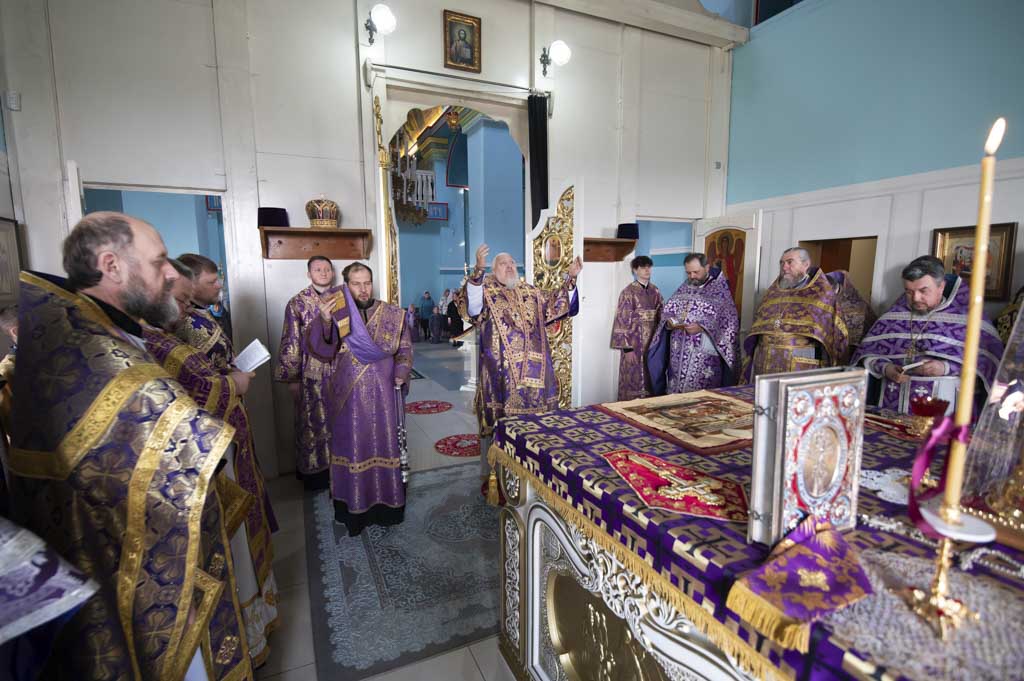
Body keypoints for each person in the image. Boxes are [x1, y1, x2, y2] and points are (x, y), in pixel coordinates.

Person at [6, 212, 251, 680]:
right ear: (112, 265)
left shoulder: (91, 327)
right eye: (159, 261)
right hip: (129, 567)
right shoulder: (95, 350)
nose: (171, 273)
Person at [145, 259, 280, 665]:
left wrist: (233, 377)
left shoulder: (173, 332)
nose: (187, 307)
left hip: (224, 435)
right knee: (231, 540)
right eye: (182, 299)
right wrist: (234, 381)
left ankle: (257, 611)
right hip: (209, 450)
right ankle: (247, 625)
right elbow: (201, 389)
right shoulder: (158, 342)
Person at [458, 244, 582, 486]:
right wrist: (478, 271)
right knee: (504, 428)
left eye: (512, 263)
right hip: (501, 376)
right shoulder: (486, 290)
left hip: (536, 376)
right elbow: (472, 308)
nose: (509, 267)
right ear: (493, 269)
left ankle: (537, 473)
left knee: (536, 429)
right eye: (503, 263)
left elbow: (557, 304)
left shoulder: (531, 292)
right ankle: (504, 480)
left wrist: (571, 278)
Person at [307, 262, 413, 536]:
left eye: (367, 282)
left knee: (385, 445)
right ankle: (353, 509)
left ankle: (388, 508)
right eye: (356, 284)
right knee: (353, 446)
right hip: (348, 397)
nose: (363, 289)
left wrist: (401, 373)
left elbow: (404, 348)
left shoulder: (392, 314)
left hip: (384, 395)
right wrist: (325, 321)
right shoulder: (336, 312)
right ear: (346, 285)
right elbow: (321, 350)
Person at [852, 256, 1004, 414]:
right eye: (909, 292)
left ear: (941, 286)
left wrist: (946, 368)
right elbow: (865, 356)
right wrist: (886, 368)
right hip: (890, 409)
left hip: (946, 414)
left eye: (923, 291)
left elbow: (988, 364)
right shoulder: (892, 317)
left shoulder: (969, 319)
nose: (915, 298)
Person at [741, 247, 872, 382]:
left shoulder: (821, 295)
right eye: (781, 263)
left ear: (806, 265)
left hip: (800, 365)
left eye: (790, 262)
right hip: (764, 364)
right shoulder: (771, 294)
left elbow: (833, 337)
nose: (784, 267)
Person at [276, 255, 336, 488]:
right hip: (311, 376)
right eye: (318, 269)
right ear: (309, 274)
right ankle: (316, 474)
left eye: (327, 269)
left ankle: (342, 470)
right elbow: (290, 341)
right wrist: (293, 379)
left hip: (340, 372)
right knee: (313, 422)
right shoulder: (297, 303)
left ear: (333, 273)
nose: (323, 272)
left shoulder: (343, 299)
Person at [648, 253, 739, 394]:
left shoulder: (718, 290)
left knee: (700, 397)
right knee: (675, 394)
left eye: (696, 272)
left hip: (703, 354)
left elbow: (729, 321)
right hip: (678, 352)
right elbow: (668, 311)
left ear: (707, 267)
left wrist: (702, 327)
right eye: (688, 273)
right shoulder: (684, 287)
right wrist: (669, 322)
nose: (692, 276)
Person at [610, 255, 663, 400]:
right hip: (634, 343)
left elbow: (662, 315)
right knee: (633, 376)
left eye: (649, 267)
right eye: (643, 267)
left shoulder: (655, 291)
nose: (647, 270)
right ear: (635, 270)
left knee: (651, 375)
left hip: (652, 342)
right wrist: (627, 349)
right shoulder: (628, 292)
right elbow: (622, 320)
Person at [179, 252, 235, 371]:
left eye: (217, 280)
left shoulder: (204, 311)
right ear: (190, 286)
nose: (219, 286)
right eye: (211, 282)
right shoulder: (182, 319)